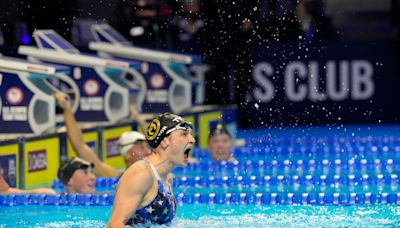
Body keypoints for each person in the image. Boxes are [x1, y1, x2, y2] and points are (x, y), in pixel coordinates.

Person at [107, 113, 195, 227]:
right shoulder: (141, 173)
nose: (192, 139)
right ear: (164, 141)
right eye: (184, 134)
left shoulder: (167, 178)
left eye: (190, 134)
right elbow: (114, 225)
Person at [54, 93, 152, 177]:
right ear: (127, 154)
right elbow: (80, 147)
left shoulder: (157, 170)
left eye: (147, 146)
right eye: (140, 146)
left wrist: (140, 120)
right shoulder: (114, 178)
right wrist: (67, 109)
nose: (147, 151)